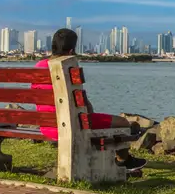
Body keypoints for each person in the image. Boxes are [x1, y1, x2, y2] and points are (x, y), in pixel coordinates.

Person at [32, 28, 146, 172]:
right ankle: (123, 160)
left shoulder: (38, 66)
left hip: (47, 127)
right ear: (72, 49)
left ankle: (125, 160)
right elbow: (86, 106)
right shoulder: (69, 67)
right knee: (123, 122)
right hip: (69, 126)